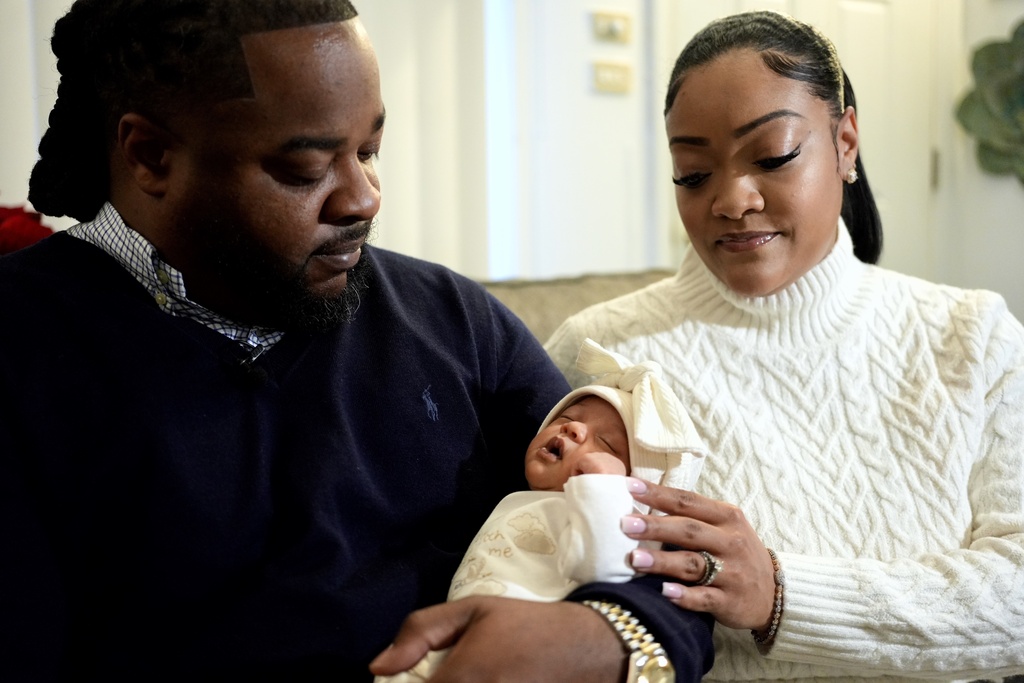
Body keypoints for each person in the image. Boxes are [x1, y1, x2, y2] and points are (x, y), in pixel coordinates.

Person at [0, 1, 716, 681]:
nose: (364, 197)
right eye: (305, 169)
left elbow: (665, 555)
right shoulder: (26, 351)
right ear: (151, 155)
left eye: (370, 149)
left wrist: (604, 637)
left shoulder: (452, 320)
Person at [546, 9, 1024, 682]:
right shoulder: (599, 350)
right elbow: (525, 563)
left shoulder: (973, 337)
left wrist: (780, 594)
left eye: (772, 157)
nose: (732, 200)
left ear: (845, 142)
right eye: (693, 173)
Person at [376, 338, 708, 682]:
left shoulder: (606, 519)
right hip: (462, 635)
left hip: (533, 654)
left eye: (606, 444)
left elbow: (603, 566)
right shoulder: (521, 499)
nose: (573, 428)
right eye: (566, 418)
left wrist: (604, 491)